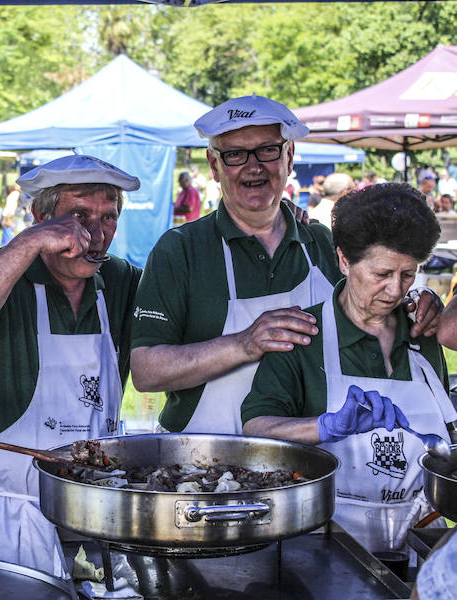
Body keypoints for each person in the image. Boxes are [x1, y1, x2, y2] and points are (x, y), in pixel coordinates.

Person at [130, 96, 442, 435]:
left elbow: (373, 304)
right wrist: (244, 343)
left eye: (268, 150)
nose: (253, 166)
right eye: (235, 154)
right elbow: (146, 372)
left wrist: (415, 302)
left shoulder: (320, 242)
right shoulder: (181, 250)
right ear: (213, 165)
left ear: (289, 156)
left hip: (309, 463)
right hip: (199, 461)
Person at [0, 155, 142, 577]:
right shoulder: (0, 276)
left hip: (92, 514)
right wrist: (29, 242)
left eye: (109, 217)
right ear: (41, 217)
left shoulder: (120, 282)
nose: (95, 234)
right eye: (78, 216)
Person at [241, 183, 457, 549]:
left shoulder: (423, 335)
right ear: (344, 260)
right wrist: (325, 426)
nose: (394, 290)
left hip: (415, 538)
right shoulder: (303, 335)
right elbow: (255, 427)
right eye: (381, 274)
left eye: (407, 275)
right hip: (320, 539)